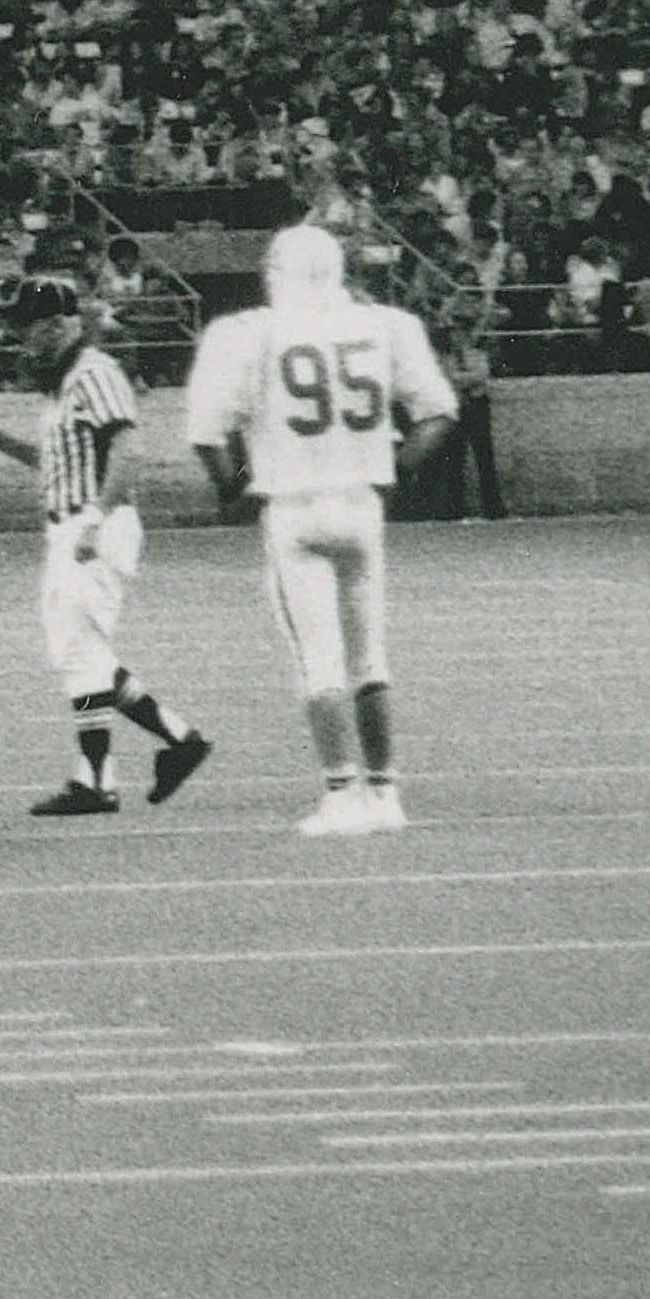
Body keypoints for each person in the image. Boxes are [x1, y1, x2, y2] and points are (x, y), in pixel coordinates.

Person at [187, 221, 450, 837]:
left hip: (294, 506)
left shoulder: (244, 332)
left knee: (318, 660)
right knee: (370, 656)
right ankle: (385, 793)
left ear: (274, 274)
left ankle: (341, 793)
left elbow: (206, 433)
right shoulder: (387, 325)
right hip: (361, 503)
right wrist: (395, 474)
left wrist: (237, 486)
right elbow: (438, 414)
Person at [0, 288, 209, 816]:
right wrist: (2, 443)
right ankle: (178, 742)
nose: (22, 337)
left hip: (91, 524)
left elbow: (127, 451)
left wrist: (95, 518)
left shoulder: (94, 372)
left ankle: (99, 779)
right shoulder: (67, 382)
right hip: (74, 523)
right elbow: (61, 462)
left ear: (58, 324)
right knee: (83, 651)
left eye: (29, 325)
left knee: (80, 653)